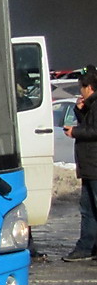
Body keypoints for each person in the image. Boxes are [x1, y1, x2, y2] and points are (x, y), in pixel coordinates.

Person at [62, 66, 97, 261]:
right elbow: (89, 126)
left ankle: (85, 247)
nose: (80, 92)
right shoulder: (91, 105)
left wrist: (74, 132)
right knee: (88, 208)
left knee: (90, 208)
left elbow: (93, 131)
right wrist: (79, 110)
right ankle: (88, 246)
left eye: (81, 88)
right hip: (89, 166)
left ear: (89, 87)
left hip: (94, 164)